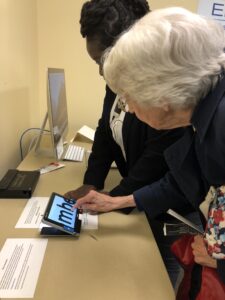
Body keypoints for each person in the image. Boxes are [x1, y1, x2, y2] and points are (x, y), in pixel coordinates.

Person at [73, 7, 225, 289]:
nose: (128, 107)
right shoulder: (204, 113)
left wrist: (222, 259)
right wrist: (119, 201)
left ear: (161, 94)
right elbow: (183, 178)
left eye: (131, 98)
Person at [65, 0, 187, 288]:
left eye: (102, 61)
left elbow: (156, 159)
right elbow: (106, 131)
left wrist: (113, 201)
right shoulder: (116, 79)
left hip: (167, 211)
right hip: (136, 199)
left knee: (153, 284)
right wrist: (92, 183)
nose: (101, 72)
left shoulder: (165, 92)